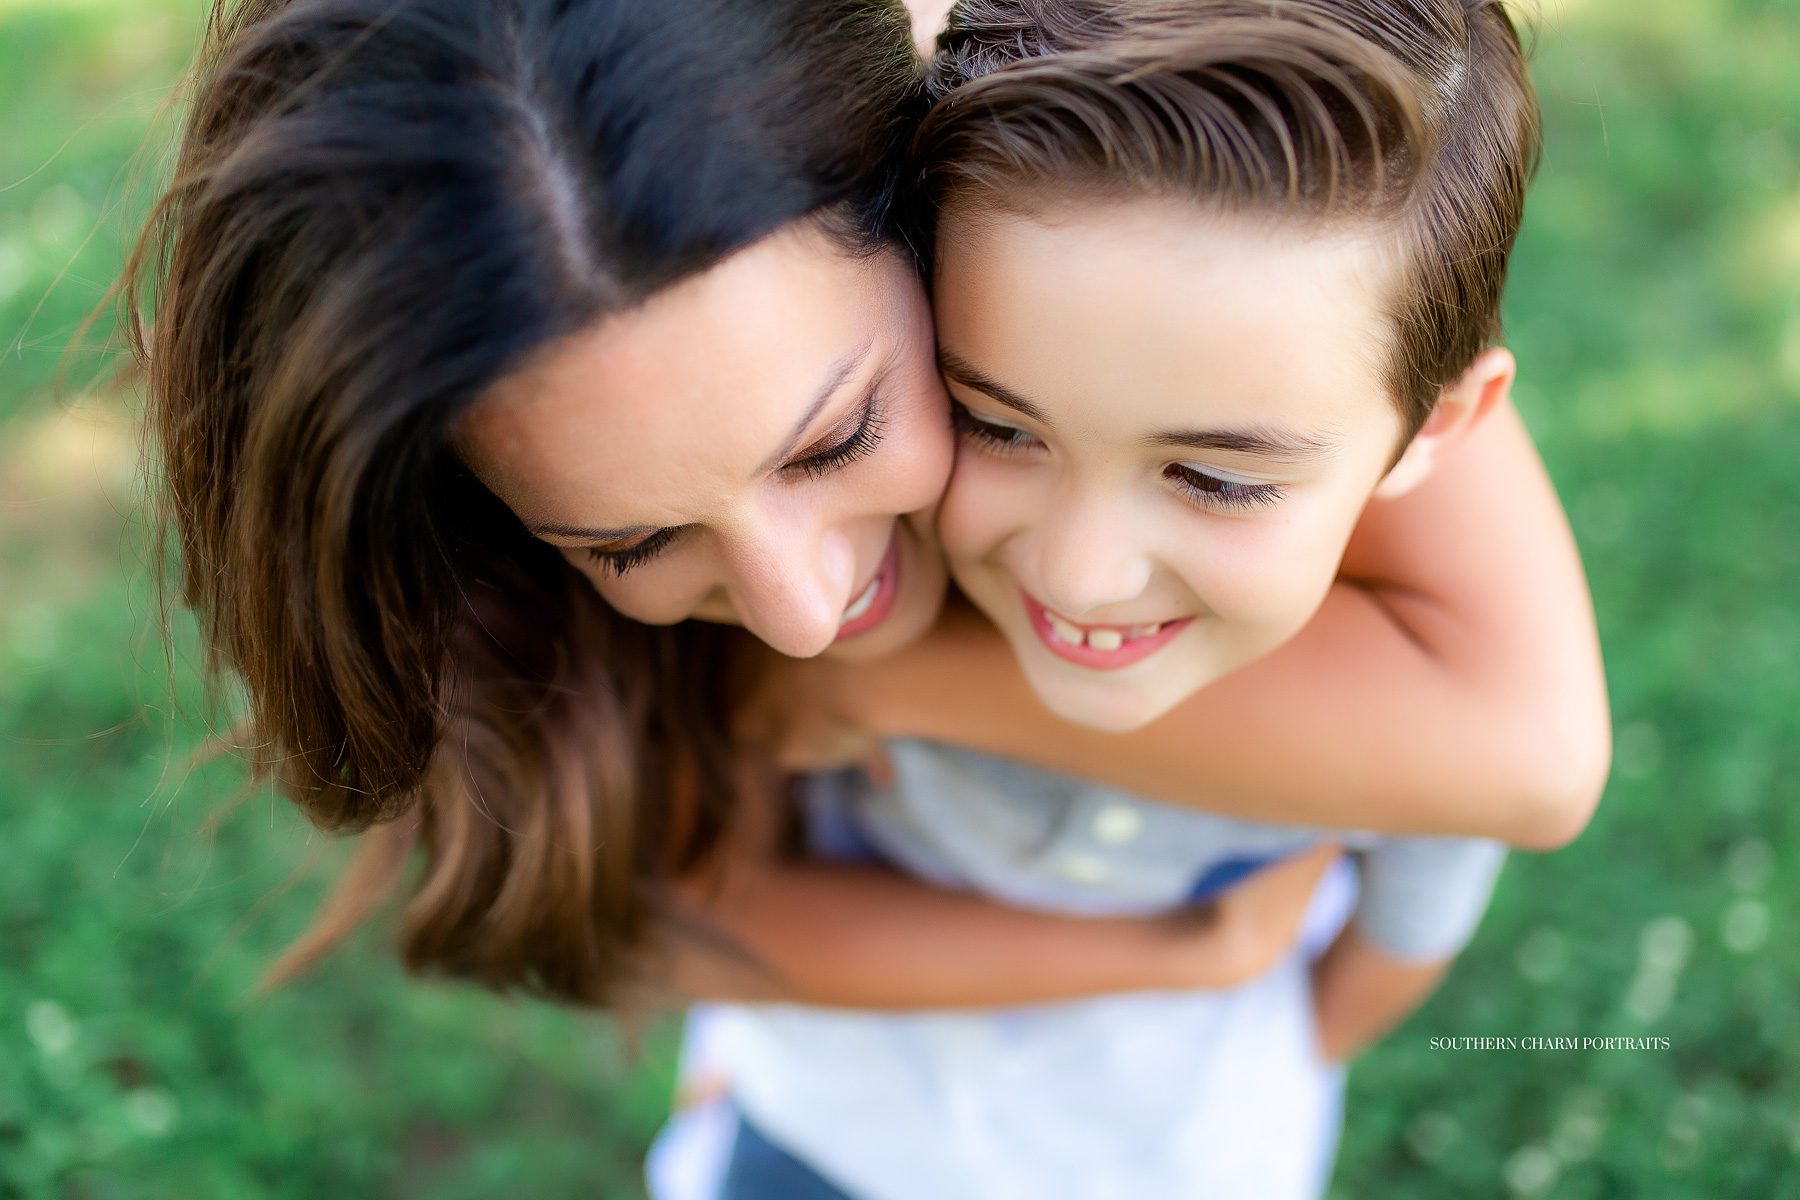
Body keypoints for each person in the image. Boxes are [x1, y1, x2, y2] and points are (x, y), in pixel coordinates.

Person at [119, 0, 1605, 1184]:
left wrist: (879, 685)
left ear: (929, 185)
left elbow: (1529, 761)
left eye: (836, 437)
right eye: (629, 544)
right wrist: (1174, 955)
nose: (797, 608)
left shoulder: (1193, 208)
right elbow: (656, 908)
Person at [650, 1, 1577, 1196]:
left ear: (1436, 426)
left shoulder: (1420, 719)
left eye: (1212, 476)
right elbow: (709, 902)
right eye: (996, 423)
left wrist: (1258, 1067)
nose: (1081, 574)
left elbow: (1391, 957)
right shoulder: (858, 575)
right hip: (813, 1140)